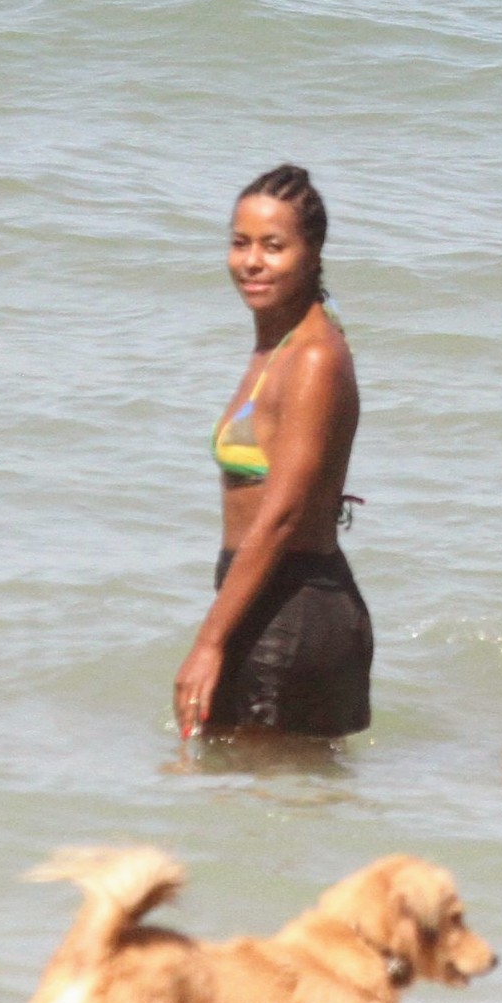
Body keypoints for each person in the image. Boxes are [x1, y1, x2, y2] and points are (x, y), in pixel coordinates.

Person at [174, 165, 372, 741]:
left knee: (269, 815)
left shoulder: (313, 358)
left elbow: (283, 513)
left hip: (295, 612)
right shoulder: (276, 344)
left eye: (273, 246)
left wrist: (209, 644)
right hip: (261, 601)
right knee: (246, 809)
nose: (252, 261)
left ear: (312, 254)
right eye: (240, 243)